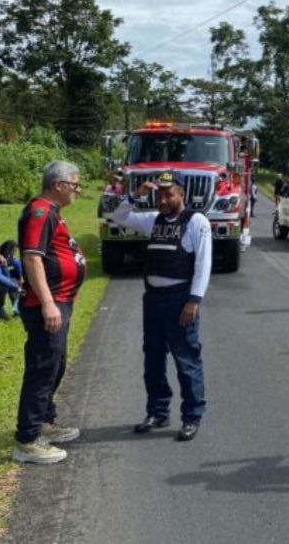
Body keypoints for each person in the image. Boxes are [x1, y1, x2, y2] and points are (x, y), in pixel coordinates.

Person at [111, 171, 211, 442]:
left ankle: (192, 416)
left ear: (182, 195)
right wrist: (135, 195)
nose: (163, 200)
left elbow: (203, 265)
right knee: (152, 359)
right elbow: (117, 217)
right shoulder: (152, 220)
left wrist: (194, 300)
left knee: (186, 360)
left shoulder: (196, 221)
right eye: (159, 194)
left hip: (180, 300)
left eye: (169, 194)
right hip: (153, 300)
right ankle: (157, 412)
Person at [12, 160, 87, 465]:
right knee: (42, 369)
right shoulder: (41, 212)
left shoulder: (53, 213)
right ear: (58, 185)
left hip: (60, 301)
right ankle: (27, 440)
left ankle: (44, 420)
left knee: (55, 365)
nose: (77, 191)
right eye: (74, 185)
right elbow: (32, 259)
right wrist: (47, 302)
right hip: (48, 304)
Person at [0, 239, 24, 314]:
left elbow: (20, 274)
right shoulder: (1, 259)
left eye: (16, 250)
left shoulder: (14, 261)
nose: (15, 253)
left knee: (14, 288)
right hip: (6, 280)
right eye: (14, 250)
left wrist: (21, 279)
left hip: (12, 280)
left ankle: (17, 309)